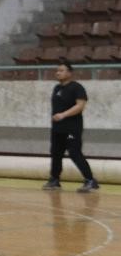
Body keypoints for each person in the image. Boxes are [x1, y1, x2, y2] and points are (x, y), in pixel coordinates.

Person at [43, 59, 99, 193]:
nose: (58, 73)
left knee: (74, 153)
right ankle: (54, 180)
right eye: (57, 71)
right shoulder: (57, 88)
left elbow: (80, 106)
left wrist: (63, 115)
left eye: (61, 71)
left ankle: (90, 180)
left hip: (72, 129)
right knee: (56, 154)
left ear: (70, 73)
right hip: (57, 129)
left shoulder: (77, 87)